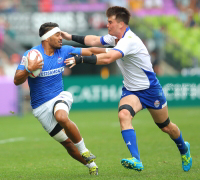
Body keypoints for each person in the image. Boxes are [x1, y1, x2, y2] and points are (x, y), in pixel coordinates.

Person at [63, 6, 192, 172]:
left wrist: (81, 59)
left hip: (150, 89)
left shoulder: (129, 40)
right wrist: (69, 36)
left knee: (166, 126)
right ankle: (137, 159)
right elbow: (94, 40)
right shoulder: (115, 38)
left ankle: (184, 148)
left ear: (121, 24)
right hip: (131, 91)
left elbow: (108, 57)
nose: (107, 24)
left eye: (110, 22)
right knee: (123, 114)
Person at [14, 22, 103, 175]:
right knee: (68, 144)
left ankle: (85, 150)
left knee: (61, 116)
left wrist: (116, 51)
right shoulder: (31, 55)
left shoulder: (64, 50)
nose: (61, 38)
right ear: (47, 38)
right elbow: (17, 80)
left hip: (59, 96)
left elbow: (91, 50)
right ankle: (91, 166)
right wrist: (29, 69)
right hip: (40, 108)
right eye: (57, 35)